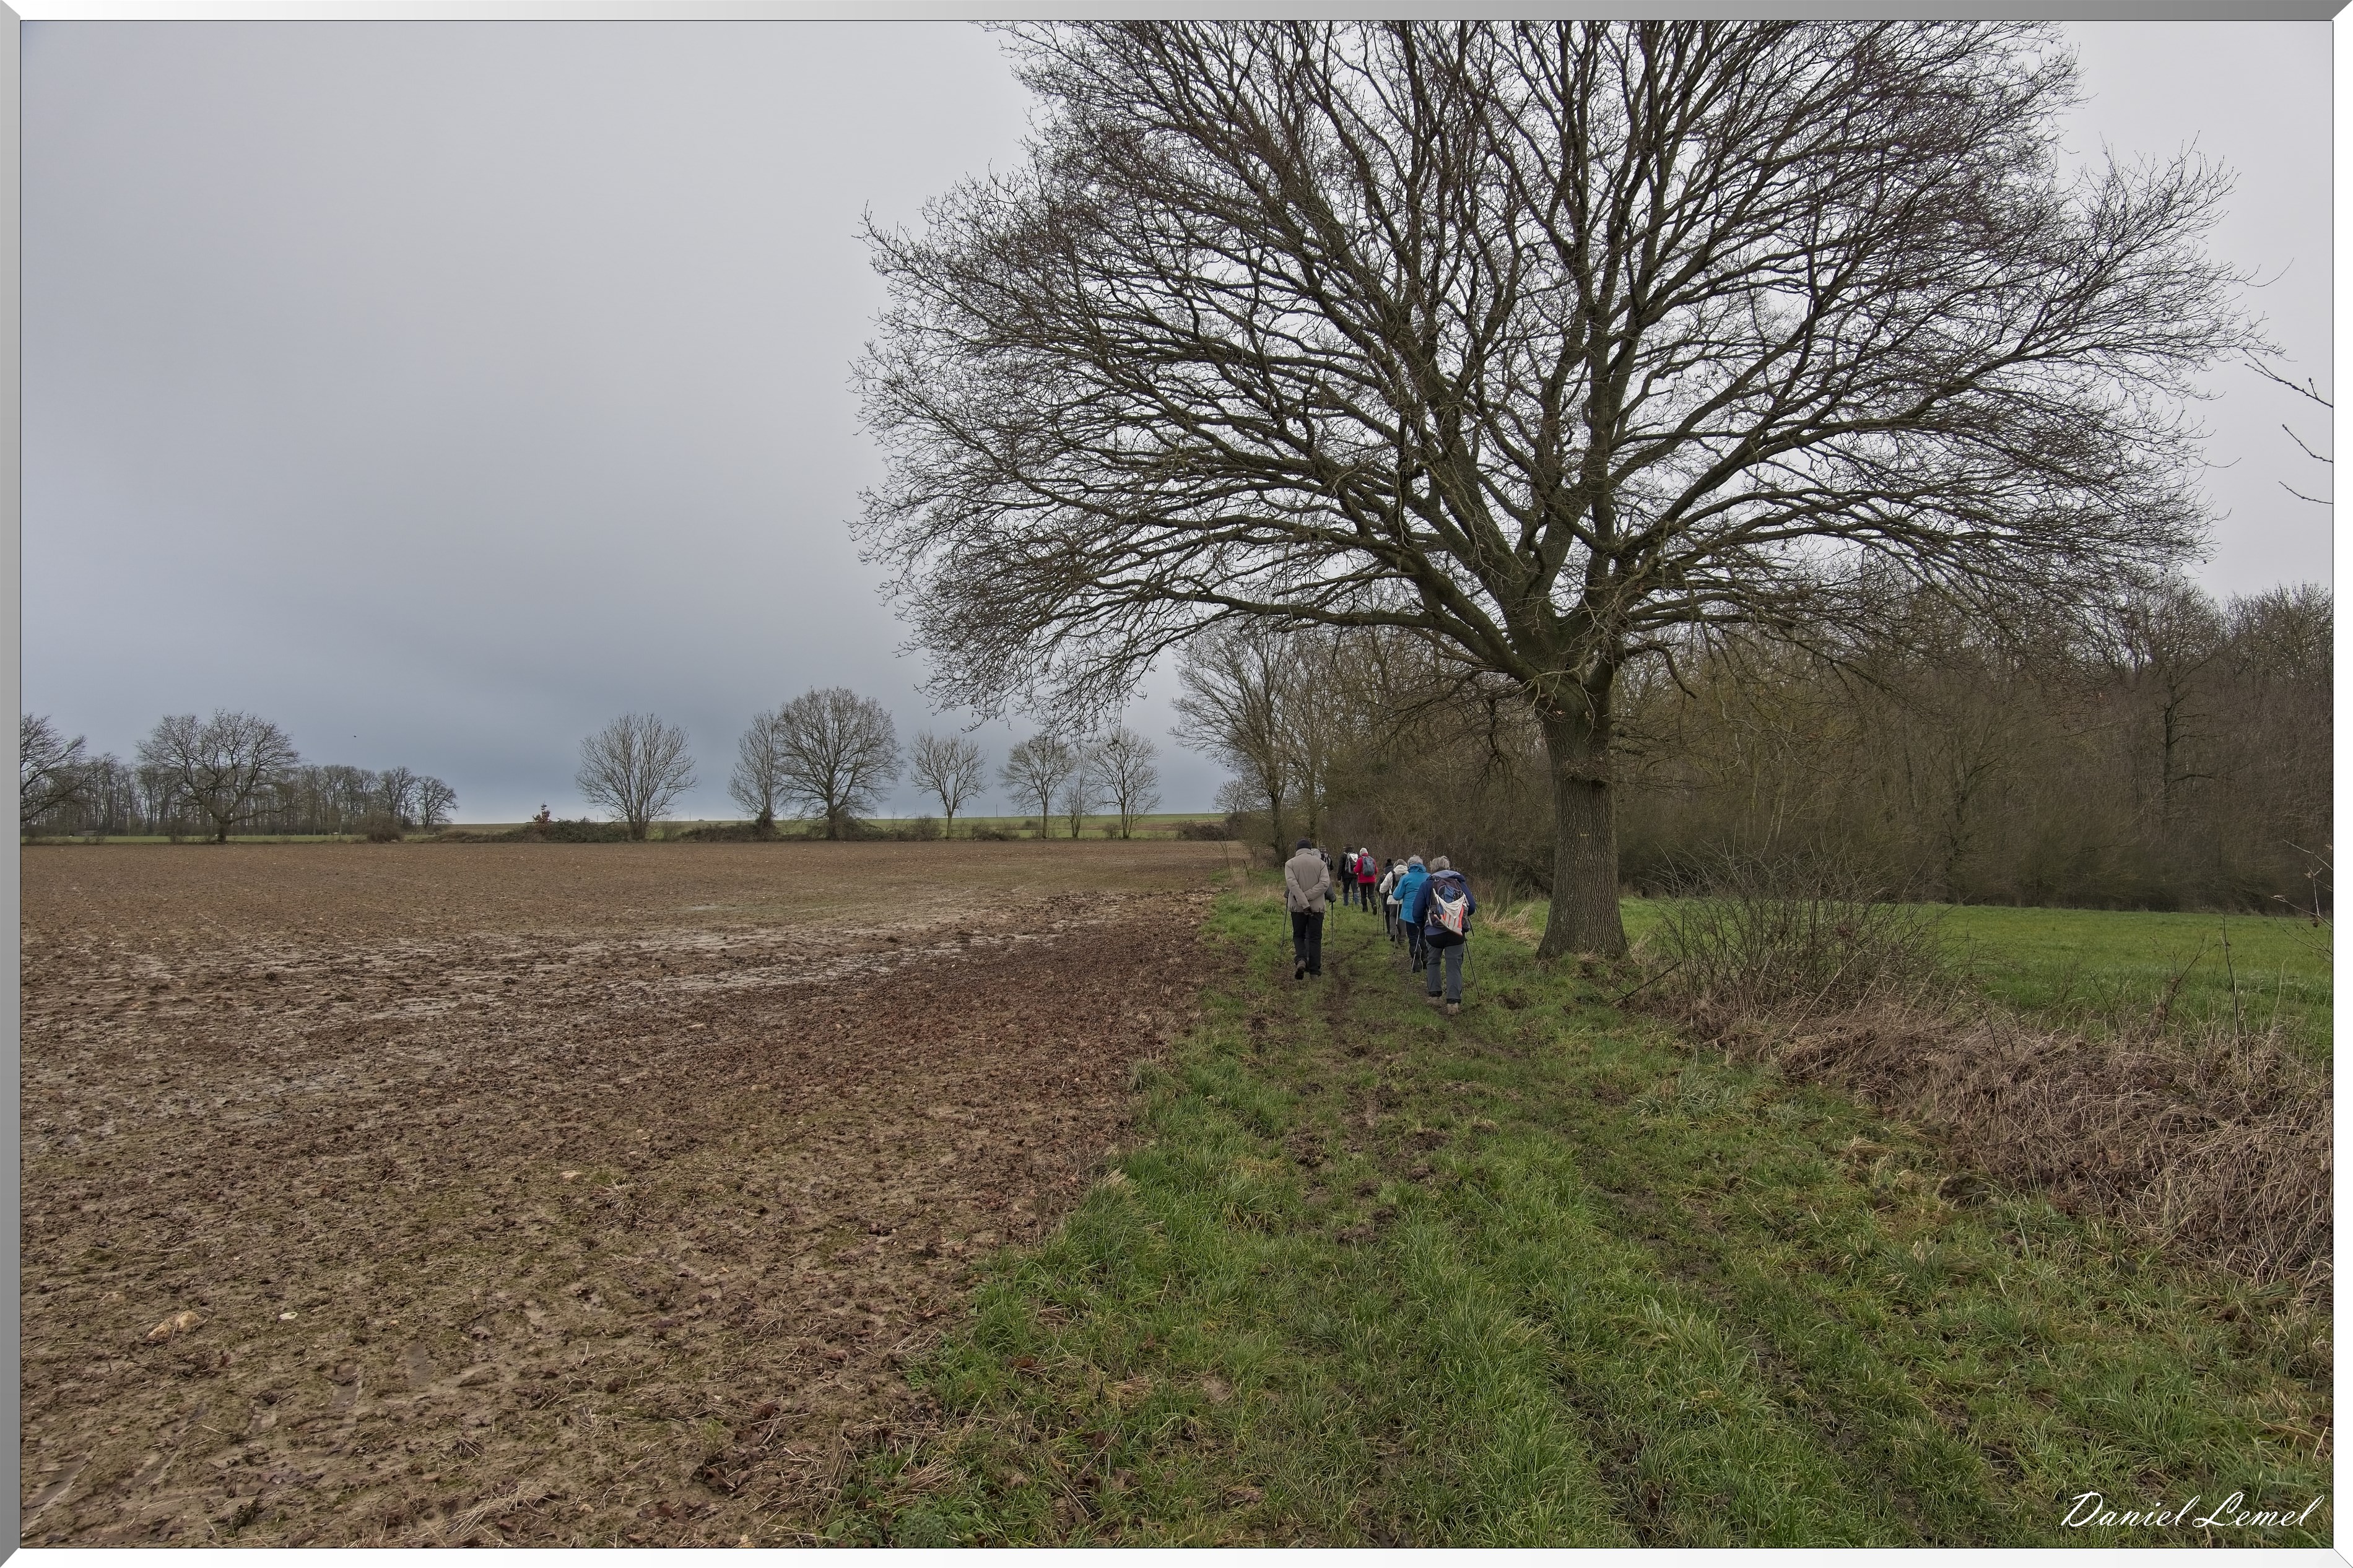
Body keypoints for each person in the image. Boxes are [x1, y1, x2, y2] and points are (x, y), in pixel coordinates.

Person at [1406, 854, 1477, 1015]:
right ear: (1448, 867)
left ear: (1433, 869)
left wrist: (1421, 926)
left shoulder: (1428, 884)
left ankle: (1435, 997)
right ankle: (1453, 1003)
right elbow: (1472, 907)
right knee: (1454, 965)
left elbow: (1417, 911)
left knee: (1433, 961)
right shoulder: (1459, 882)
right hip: (1456, 932)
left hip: (1434, 932)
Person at [1283, 837, 1333, 980]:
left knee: (1298, 936)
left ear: (1297, 850)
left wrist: (1302, 900)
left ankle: (1301, 960)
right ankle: (1315, 972)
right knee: (1315, 938)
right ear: (1310, 849)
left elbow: (1292, 885)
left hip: (1297, 908)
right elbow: (1325, 884)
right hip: (1317, 908)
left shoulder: (1290, 864)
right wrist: (1308, 897)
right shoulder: (1321, 864)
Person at [1391, 855, 1430, 971]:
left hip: (1410, 913)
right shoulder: (1429, 877)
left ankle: (1416, 961)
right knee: (1424, 935)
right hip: (1426, 912)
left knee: (1413, 937)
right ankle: (1426, 955)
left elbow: (1397, 895)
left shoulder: (1406, 878)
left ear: (1410, 865)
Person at [1355, 848, 1378, 914]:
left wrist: (1354, 869)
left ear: (1361, 853)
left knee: (1363, 895)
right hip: (1372, 880)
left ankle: (1365, 909)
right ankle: (1374, 905)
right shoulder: (1372, 860)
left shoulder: (1360, 860)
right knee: (1371, 894)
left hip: (1362, 881)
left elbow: (1357, 870)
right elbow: (1376, 871)